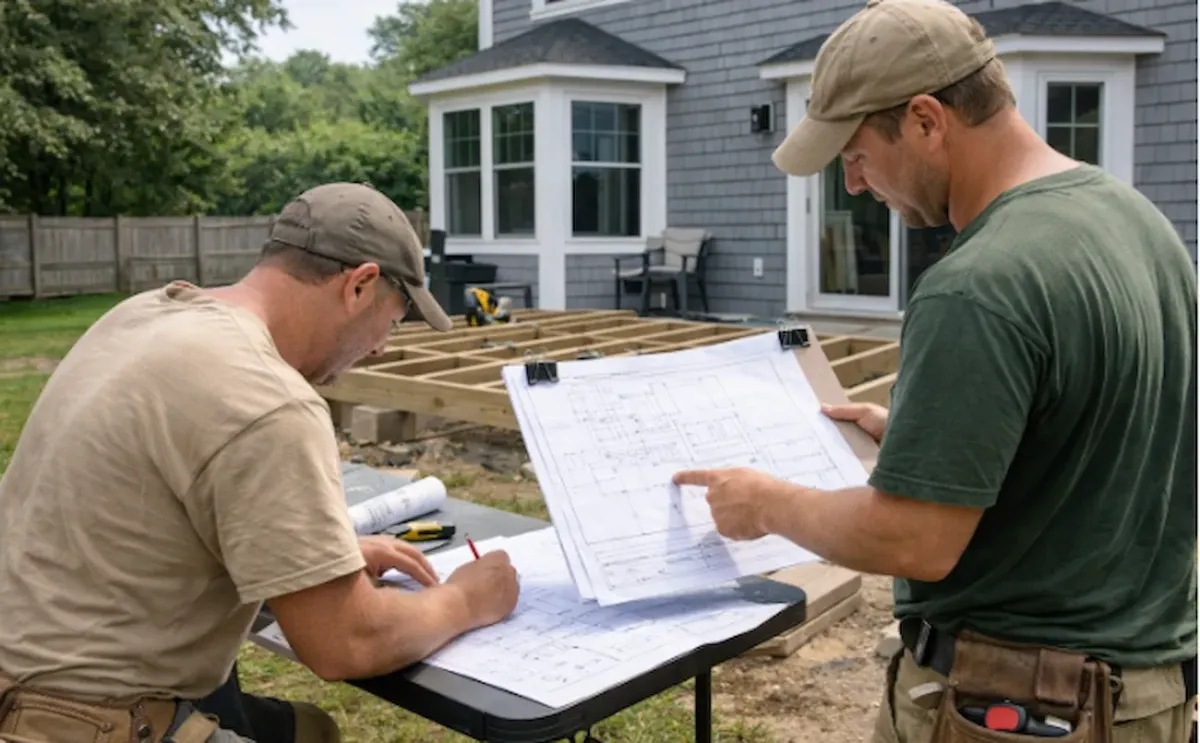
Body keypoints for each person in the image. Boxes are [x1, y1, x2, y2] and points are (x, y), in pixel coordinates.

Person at [672, 0, 1197, 741]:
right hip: (1146, 695)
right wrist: (928, 445)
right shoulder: (1137, 224)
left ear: (925, 119)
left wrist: (764, 504)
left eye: (854, 153)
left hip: (1026, 702)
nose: (852, 185)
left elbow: (912, 540)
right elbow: (1115, 434)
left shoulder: (978, 282)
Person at [0, 182, 521, 742]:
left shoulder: (144, 315)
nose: (380, 349)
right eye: (391, 322)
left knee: (310, 731)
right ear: (361, 285)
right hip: (82, 720)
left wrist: (314, 564)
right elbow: (345, 642)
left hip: (24, 669)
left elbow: (146, 518)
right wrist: (465, 599)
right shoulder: (269, 400)